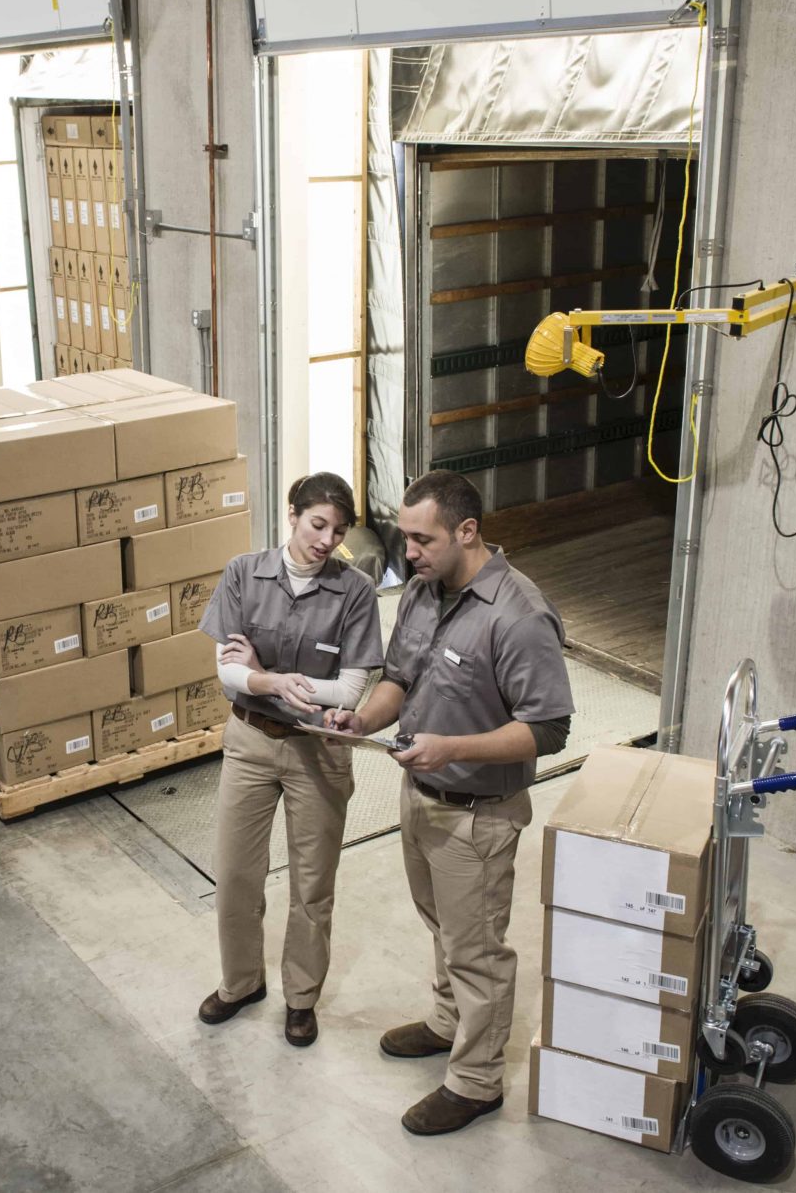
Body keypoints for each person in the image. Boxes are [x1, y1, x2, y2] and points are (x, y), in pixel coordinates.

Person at [325, 470, 574, 1136]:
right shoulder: (422, 592)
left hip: (476, 813)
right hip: (421, 795)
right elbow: (399, 679)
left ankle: (476, 1080)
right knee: (443, 925)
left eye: (421, 538)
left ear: (467, 531)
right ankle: (445, 1021)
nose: (408, 552)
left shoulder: (518, 615)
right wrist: (361, 719)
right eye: (404, 537)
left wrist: (452, 746)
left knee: (478, 948)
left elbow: (549, 726)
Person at [195, 473, 383, 1047]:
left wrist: (267, 679)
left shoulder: (354, 592)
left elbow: (351, 690)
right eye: (317, 524)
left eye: (339, 531)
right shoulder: (242, 574)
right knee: (234, 874)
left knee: (312, 882)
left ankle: (301, 998)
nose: (326, 540)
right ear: (293, 515)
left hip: (318, 752)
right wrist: (272, 681)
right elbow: (226, 671)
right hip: (250, 743)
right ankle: (240, 982)